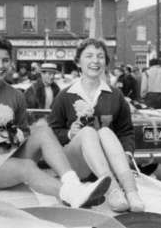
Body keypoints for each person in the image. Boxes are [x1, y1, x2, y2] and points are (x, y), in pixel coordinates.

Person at [0, 36, 111, 208]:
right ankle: (71, 195)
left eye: (5, 60)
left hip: (7, 153)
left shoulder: (16, 95)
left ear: (11, 63)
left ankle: (73, 184)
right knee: (26, 167)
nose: (0, 65)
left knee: (43, 131)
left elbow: (25, 131)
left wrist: (19, 134)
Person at [49, 38, 144, 212]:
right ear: (78, 62)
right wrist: (70, 134)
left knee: (106, 131)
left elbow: (126, 131)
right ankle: (113, 190)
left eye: (100, 56)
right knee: (87, 132)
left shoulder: (115, 95)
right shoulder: (64, 96)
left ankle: (131, 191)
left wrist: (127, 152)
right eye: (89, 56)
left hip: (108, 161)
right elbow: (52, 132)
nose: (95, 61)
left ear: (106, 63)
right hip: (76, 165)